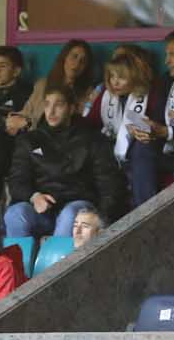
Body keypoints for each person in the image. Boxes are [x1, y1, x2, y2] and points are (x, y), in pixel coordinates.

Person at [7, 86, 126, 238]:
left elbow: (108, 183)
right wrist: (34, 196)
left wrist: (102, 219)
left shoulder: (92, 139)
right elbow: (17, 180)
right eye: (47, 104)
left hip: (78, 207)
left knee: (70, 214)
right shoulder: (30, 140)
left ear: (71, 108)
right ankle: (16, 262)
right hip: (42, 210)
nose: (51, 111)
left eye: (59, 104)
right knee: (15, 213)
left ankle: (58, 262)